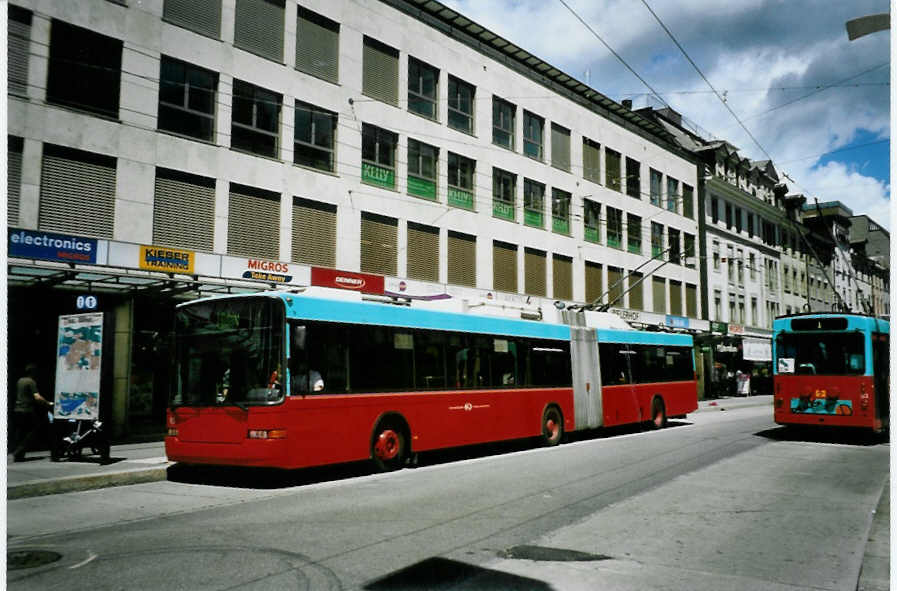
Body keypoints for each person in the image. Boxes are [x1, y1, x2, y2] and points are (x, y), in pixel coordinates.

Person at [11, 364, 53, 462]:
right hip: (27, 410)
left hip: (17, 409)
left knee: (19, 432)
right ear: (33, 372)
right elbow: (37, 397)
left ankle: (19, 455)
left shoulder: (20, 381)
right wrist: (47, 403)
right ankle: (18, 451)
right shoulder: (31, 382)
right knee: (30, 432)